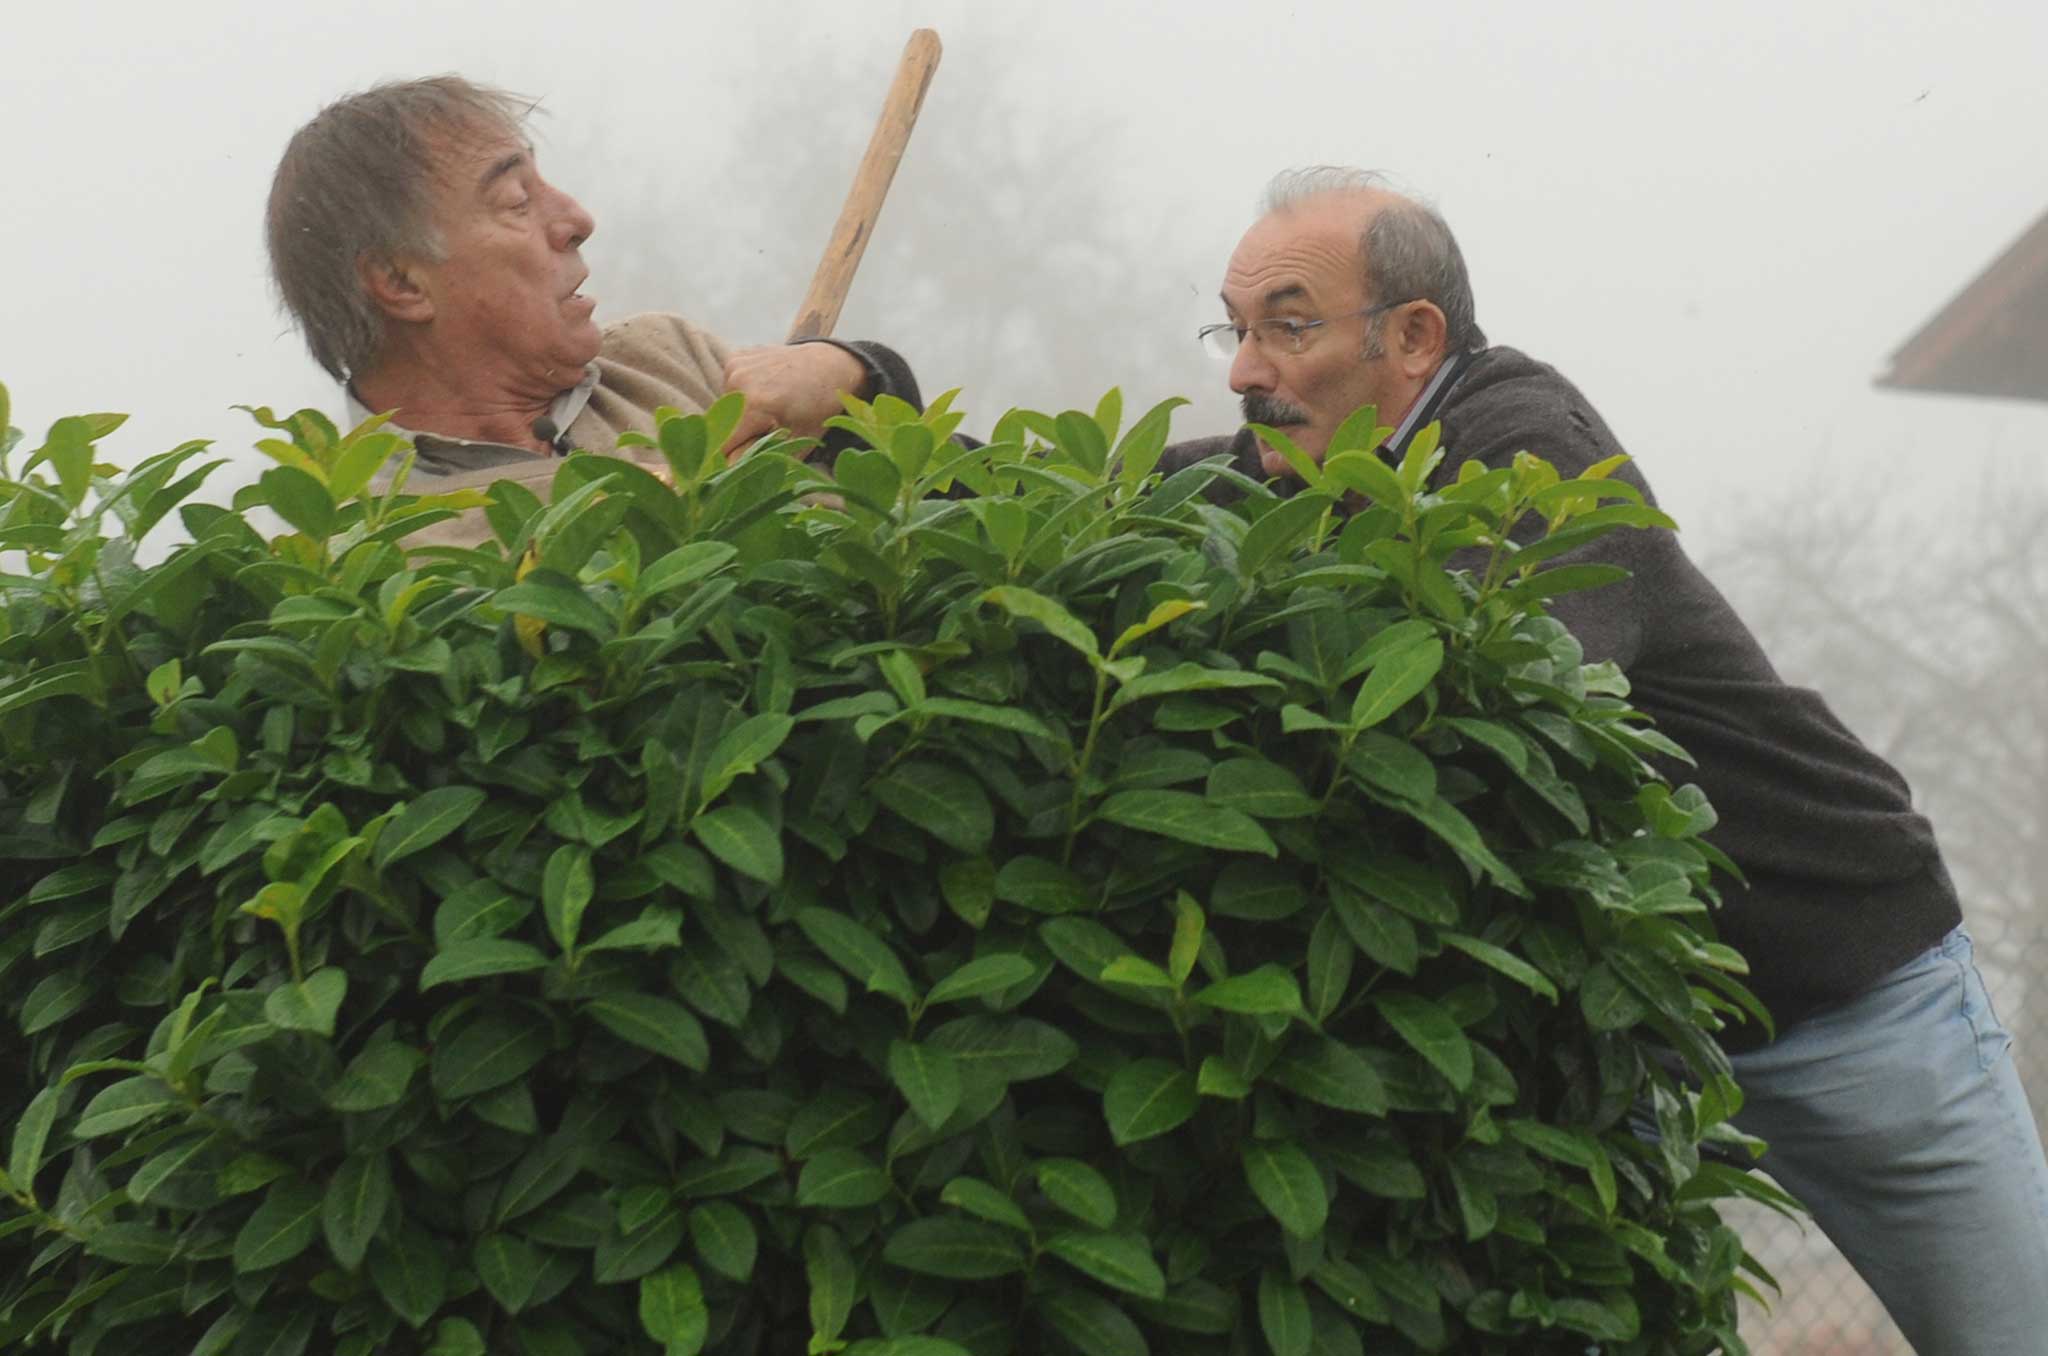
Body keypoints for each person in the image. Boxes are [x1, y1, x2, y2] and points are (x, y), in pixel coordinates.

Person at [1159, 166, 2048, 1354]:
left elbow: (1510, 683)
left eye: (1286, 325)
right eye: (1236, 327)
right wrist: (862, 395)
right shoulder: (1308, 473)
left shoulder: (1530, 450)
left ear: (1412, 337)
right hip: (1625, 1027)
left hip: (1842, 985)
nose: (1243, 369)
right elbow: (1090, 495)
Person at [265, 76, 919, 543]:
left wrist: (854, 376)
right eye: (518, 201)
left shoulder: (667, 360)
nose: (577, 219)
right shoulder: (381, 548)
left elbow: (959, 500)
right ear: (401, 283)